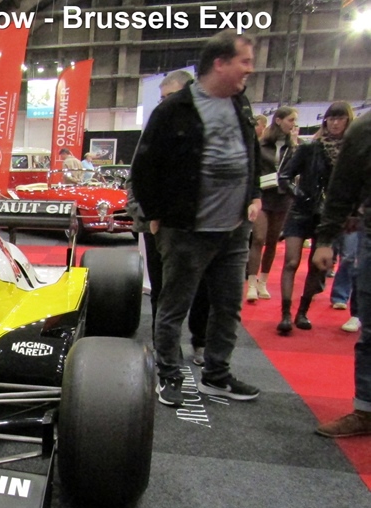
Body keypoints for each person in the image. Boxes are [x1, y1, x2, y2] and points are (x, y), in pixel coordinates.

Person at [131, 30, 262, 407]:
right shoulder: (174, 109)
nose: (249, 70)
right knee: (173, 306)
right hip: (187, 230)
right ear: (220, 63)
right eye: (244, 62)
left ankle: (217, 375)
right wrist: (154, 214)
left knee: (228, 306)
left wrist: (253, 194)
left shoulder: (240, 103)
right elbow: (145, 167)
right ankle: (169, 374)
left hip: (234, 230)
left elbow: (250, 152)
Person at [128, 69, 209, 365]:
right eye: (162, 98)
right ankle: (163, 349)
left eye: (171, 97)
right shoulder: (156, 129)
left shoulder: (208, 128)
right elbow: (136, 177)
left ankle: (201, 342)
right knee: (161, 290)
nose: (165, 103)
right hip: (158, 226)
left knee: (202, 288)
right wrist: (146, 214)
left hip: (200, 225)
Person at [312, 109, 371, 438]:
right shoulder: (364, 130)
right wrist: (325, 240)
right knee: (370, 330)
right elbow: (341, 188)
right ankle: (366, 410)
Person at [276, 101, 354, 333]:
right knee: (291, 261)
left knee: (317, 266)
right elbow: (284, 176)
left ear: (348, 121)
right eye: (331, 118)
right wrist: (299, 194)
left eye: (340, 119)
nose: (335, 123)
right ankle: (285, 313)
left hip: (329, 216)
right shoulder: (310, 148)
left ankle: (303, 311)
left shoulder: (350, 154)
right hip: (301, 210)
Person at [245, 106, 298, 302]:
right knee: (258, 238)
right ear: (278, 120)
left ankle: (263, 282)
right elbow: (253, 170)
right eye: (291, 120)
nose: (293, 124)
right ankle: (251, 283)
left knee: (272, 241)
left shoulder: (293, 147)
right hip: (262, 196)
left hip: (283, 198)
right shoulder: (261, 145)